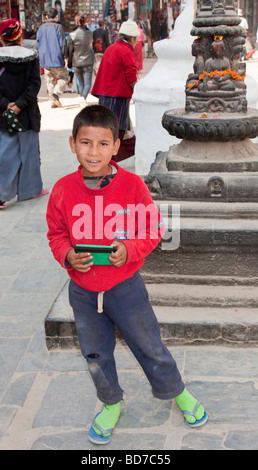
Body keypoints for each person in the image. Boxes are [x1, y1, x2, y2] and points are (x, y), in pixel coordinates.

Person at [46, 104, 208, 445]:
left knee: (150, 346)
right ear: (72, 143)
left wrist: (129, 250)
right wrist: (68, 255)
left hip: (126, 289)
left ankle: (176, 391)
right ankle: (110, 402)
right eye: (85, 142)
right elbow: (57, 234)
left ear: (117, 146)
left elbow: (152, 228)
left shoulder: (132, 186)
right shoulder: (62, 191)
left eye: (103, 143)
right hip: (83, 293)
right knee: (94, 353)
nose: (94, 151)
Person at [0, 19, 48, 210]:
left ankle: (1, 197)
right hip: (27, 114)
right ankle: (31, 190)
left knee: (1, 155)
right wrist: (19, 105)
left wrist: (6, 105)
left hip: (3, 116)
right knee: (29, 154)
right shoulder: (31, 57)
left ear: (2, 38)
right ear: (19, 36)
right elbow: (34, 85)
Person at [91, 19, 139, 162]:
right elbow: (131, 76)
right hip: (117, 97)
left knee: (107, 128)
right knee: (115, 130)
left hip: (105, 95)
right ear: (132, 38)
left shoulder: (112, 48)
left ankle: (106, 158)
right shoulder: (125, 50)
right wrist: (139, 89)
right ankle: (108, 160)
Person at [36, 7, 69, 108]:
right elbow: (63, 43)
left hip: (45, 59)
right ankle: (56, 93)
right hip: (56, 57)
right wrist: (65, 57)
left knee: (50, 80)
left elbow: (37, 44)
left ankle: (52, 101)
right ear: (56, 16)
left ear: (46, 16)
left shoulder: (40, 28)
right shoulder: (58, 27)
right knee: (64, 77)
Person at [68, 15, 94, 107]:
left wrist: (70, 63)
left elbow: (70, 50)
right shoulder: (89, 33)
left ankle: (82, 98)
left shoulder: (72, 35)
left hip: (76, 60)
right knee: (87, 83)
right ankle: (83, 98)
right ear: (85, 22)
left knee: (81, 83)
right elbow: (91, 45)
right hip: (88, 60)